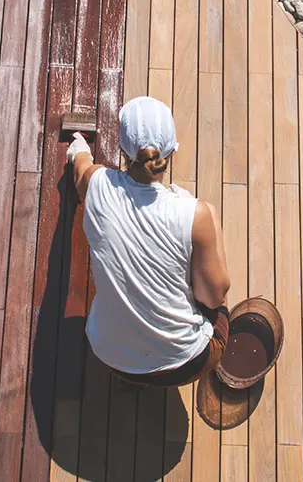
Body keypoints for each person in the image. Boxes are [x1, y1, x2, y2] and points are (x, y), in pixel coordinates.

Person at [65, 96, 232, 387]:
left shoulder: (97, 186)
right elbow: (213, 297)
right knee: (216, 291)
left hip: (111, 356)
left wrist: (78, 145)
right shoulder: (194, 214)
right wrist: (210, 218)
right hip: (186, 362)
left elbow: (80, 169)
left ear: (122, 151)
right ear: (171, 153)